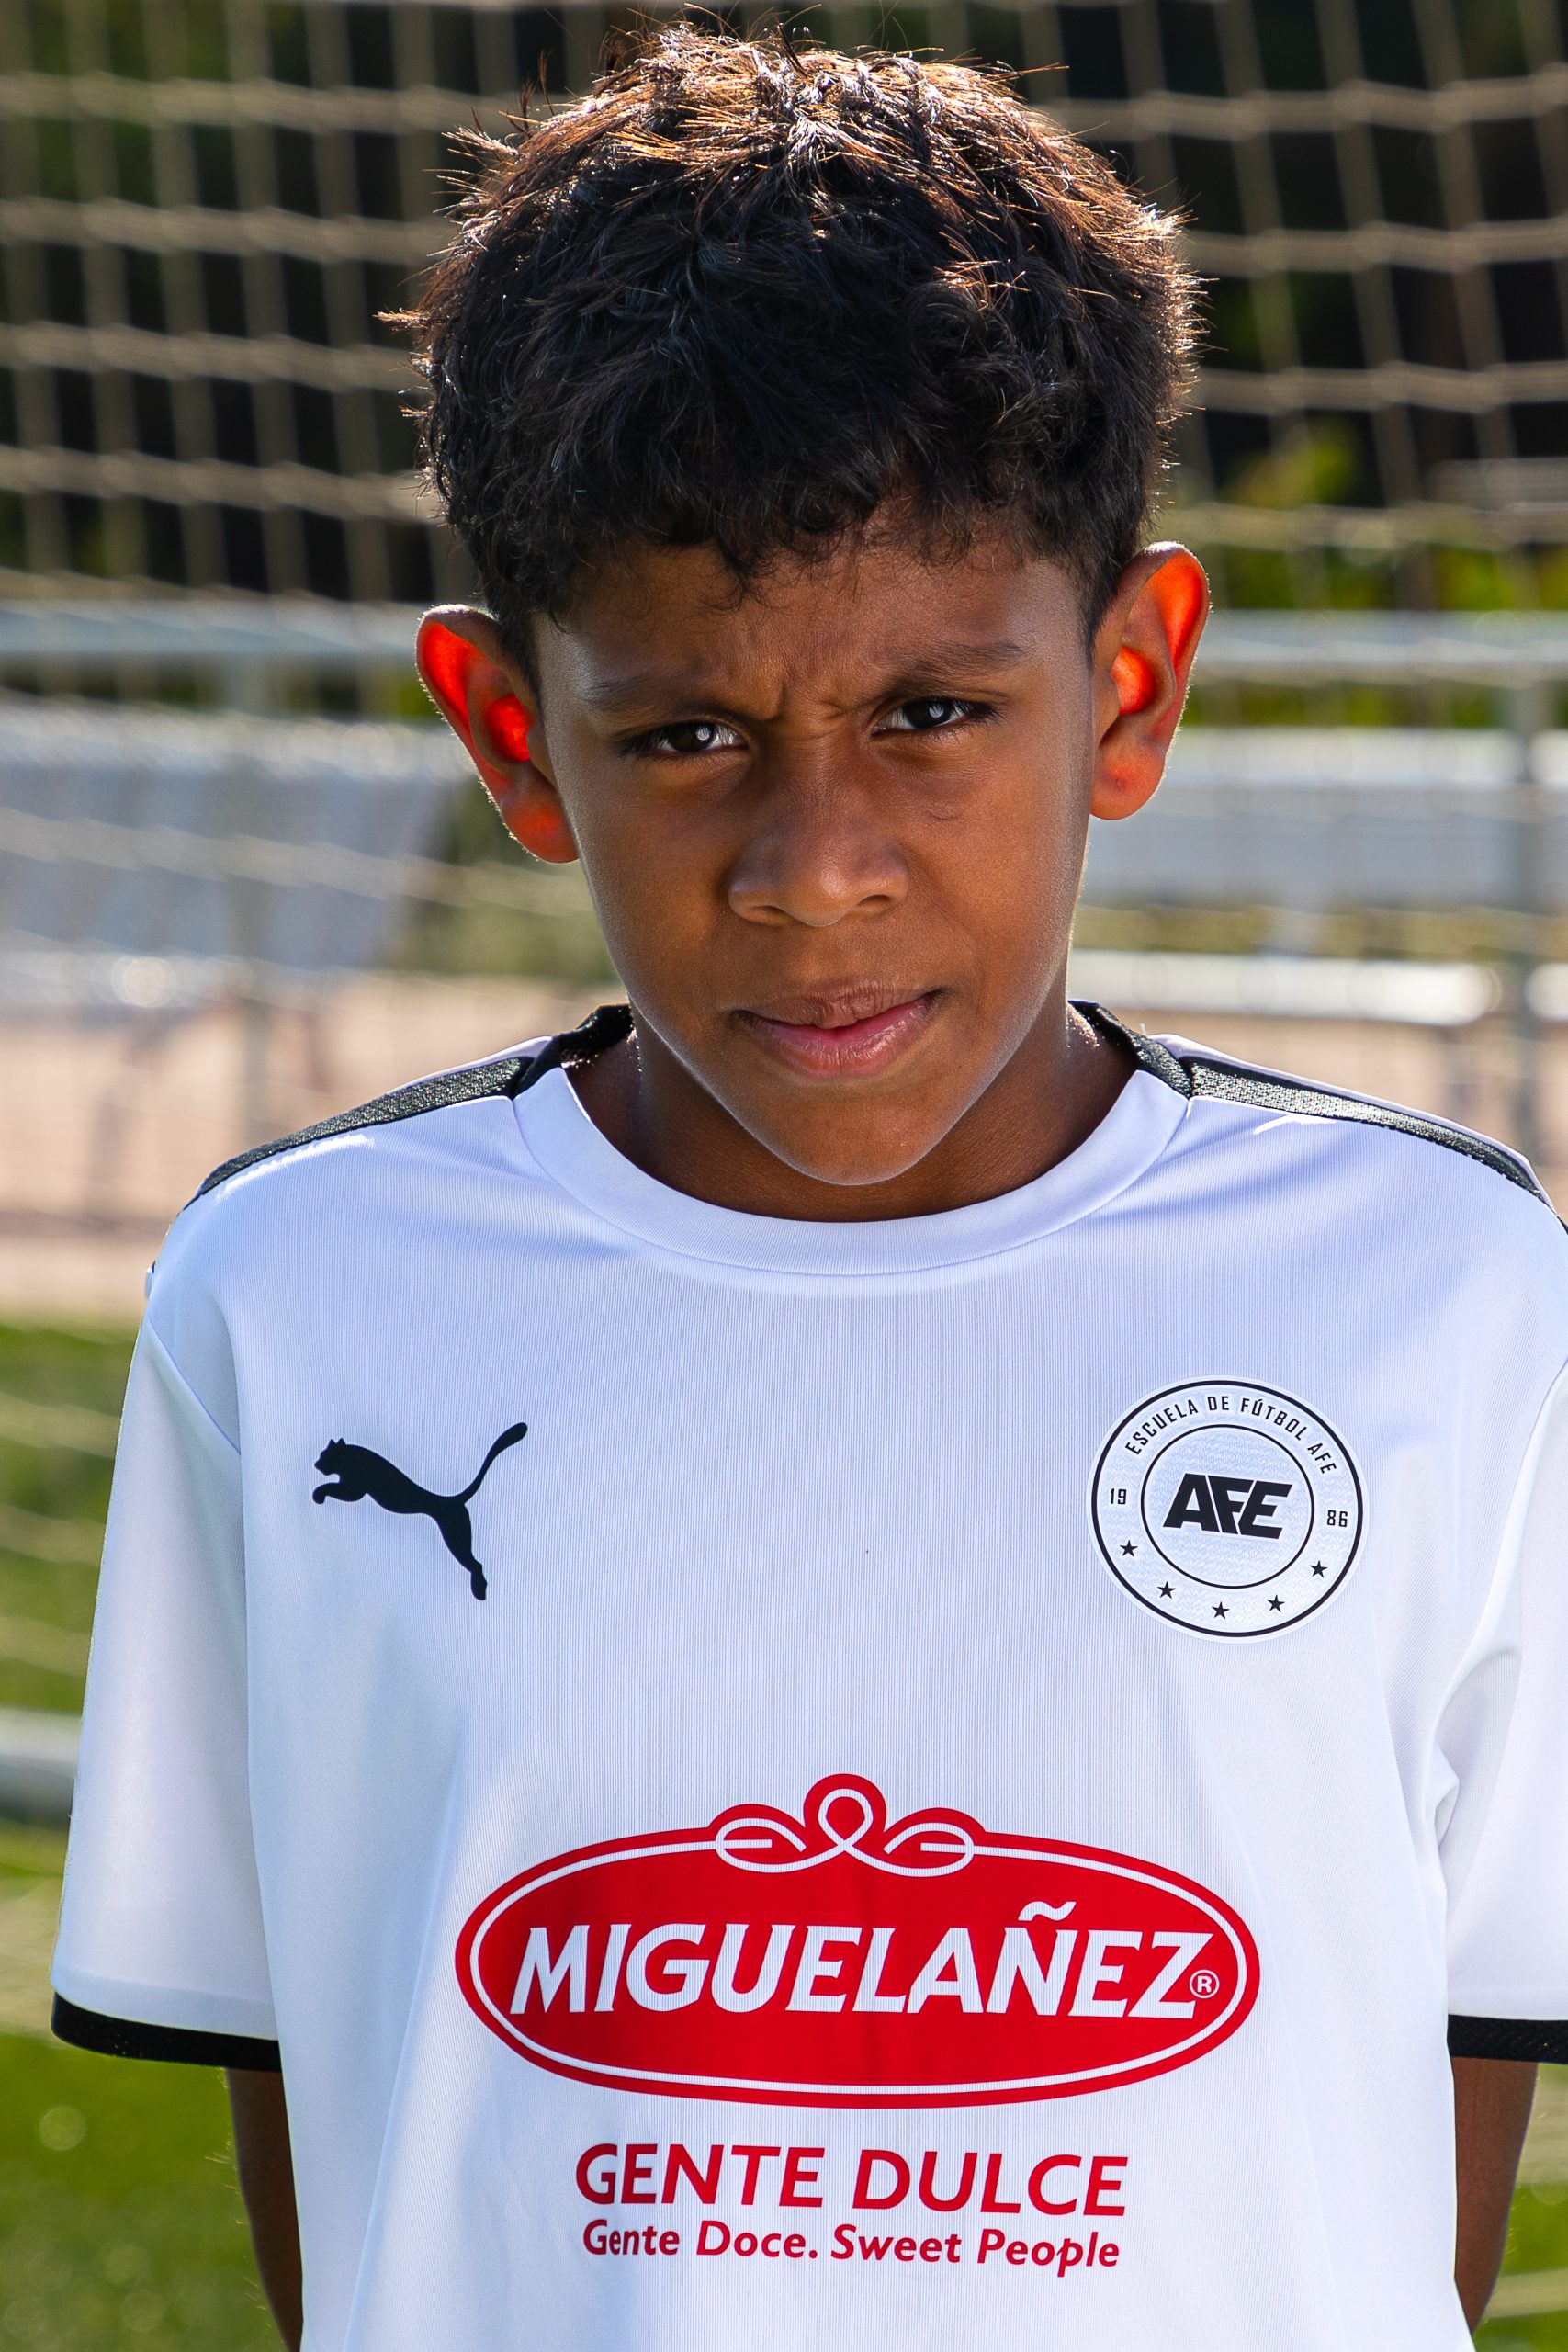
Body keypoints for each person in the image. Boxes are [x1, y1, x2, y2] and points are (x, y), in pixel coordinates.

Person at [50, 28, 1566, 2350]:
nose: (814, 868)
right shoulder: (298, 1293)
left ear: (1130, 686)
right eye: (688, 734)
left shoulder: (1437, 1291)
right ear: (509, 736)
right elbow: (353, 2136)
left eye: (932, 715)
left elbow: (1390, 2186)